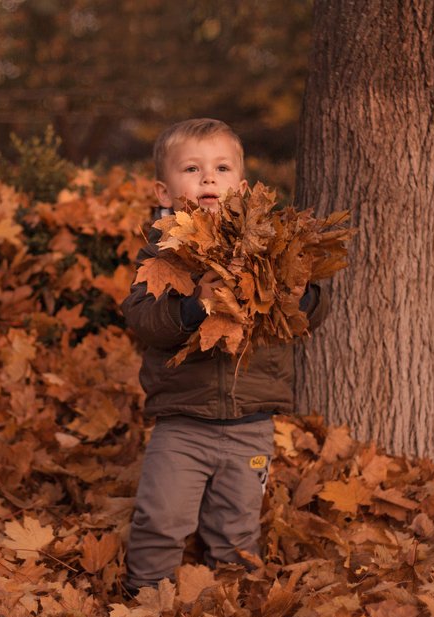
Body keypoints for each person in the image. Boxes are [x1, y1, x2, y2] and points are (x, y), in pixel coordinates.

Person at [120, 118, 329, 592]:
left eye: (221, 167)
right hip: (182, 420)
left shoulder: (268, 243)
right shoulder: (162, 252)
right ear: (165, 191)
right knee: (161, 515)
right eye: (192, 168)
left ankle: (235, 599)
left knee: (236, 526)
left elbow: (307, 315)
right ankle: (144, 595)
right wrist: (192, 307)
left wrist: (301, 297)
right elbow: (142, 318)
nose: (208, 178)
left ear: (242, 184)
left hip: (250, 421)